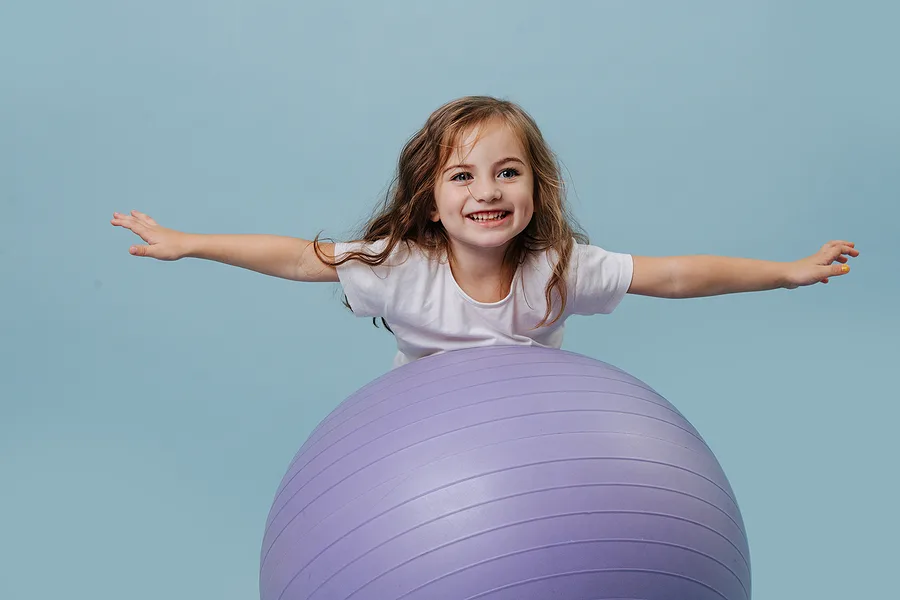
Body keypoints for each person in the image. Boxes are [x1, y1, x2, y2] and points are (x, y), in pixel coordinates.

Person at [111, 96, 858, 368]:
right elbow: (299, 259)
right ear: (431, 202)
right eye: (462, 177)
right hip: (425, 438)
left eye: (508, 173)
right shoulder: (401, 264)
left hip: (540, 426)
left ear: (537, 189)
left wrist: (788, 270)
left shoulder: (561, 267)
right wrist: (191, 242)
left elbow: (673, 276)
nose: (488, 192)